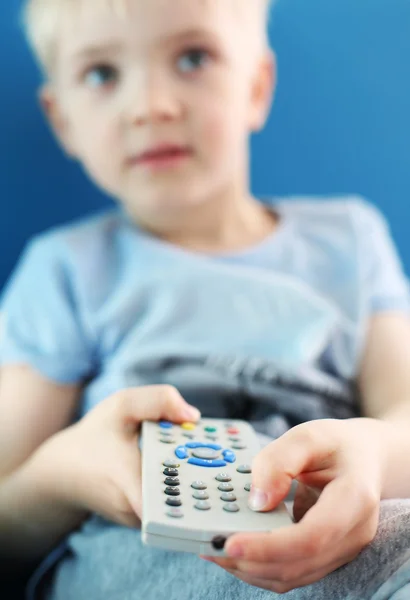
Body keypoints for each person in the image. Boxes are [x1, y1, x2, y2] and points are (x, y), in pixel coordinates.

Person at [1, 0, 410, 598]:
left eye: (193, 58)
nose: (151, 107)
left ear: (257, 86)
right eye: (101, 74)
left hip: (348, 531)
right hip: (146, 550)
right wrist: (70, 471)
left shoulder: (350, 239)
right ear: (62, 120)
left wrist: (372, 455)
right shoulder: (64, 268)